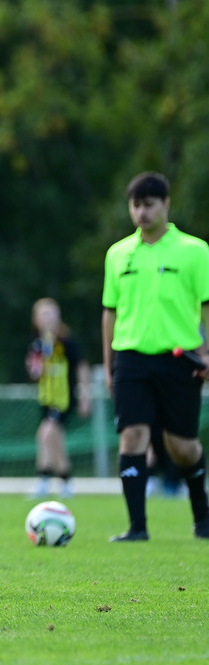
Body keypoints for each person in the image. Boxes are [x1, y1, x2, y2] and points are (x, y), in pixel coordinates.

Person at [101, 171, 209, 542]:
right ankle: (137, 528)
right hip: (130, 358)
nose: (142, 212)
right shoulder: (118, 255)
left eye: (149, 204)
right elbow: (109, 313)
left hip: (180, 359)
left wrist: (208, 353)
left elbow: (207, 305)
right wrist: (109, 364)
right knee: (132, 437)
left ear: (166, 205)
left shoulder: (195, 251)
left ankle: (202, 517)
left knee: (181, 446)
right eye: (136, 205)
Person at [25, 297, 92, 499]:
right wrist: (35, 366)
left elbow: (82, 367)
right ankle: (54, 480)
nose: (49, 318)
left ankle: (55, 480)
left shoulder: (66, 341)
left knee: (46, 434)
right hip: (46, 399)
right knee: (50, 438)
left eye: (53, 313)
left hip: (64, 399)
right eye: (44, 314)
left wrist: (85, 396)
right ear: (36, 320)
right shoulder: (37, 345)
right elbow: (33, 372)